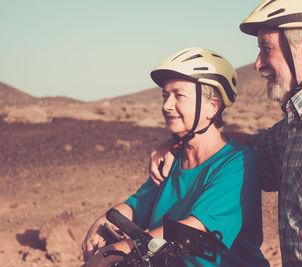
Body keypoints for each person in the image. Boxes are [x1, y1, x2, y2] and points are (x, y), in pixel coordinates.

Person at [149, 0, 302, 266]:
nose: (257, 64)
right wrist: (180, 140)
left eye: (265, 48)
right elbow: (240, 148)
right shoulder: (297, 125)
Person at [82, 47, 269, 267]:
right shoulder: (172, 160)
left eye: (178, 95)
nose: (166, 105)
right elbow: (136, 206)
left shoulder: (238, 163)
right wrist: (103, 222)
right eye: (165, 95)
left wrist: (116, 251)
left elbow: (191, 231)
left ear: (212, 107)